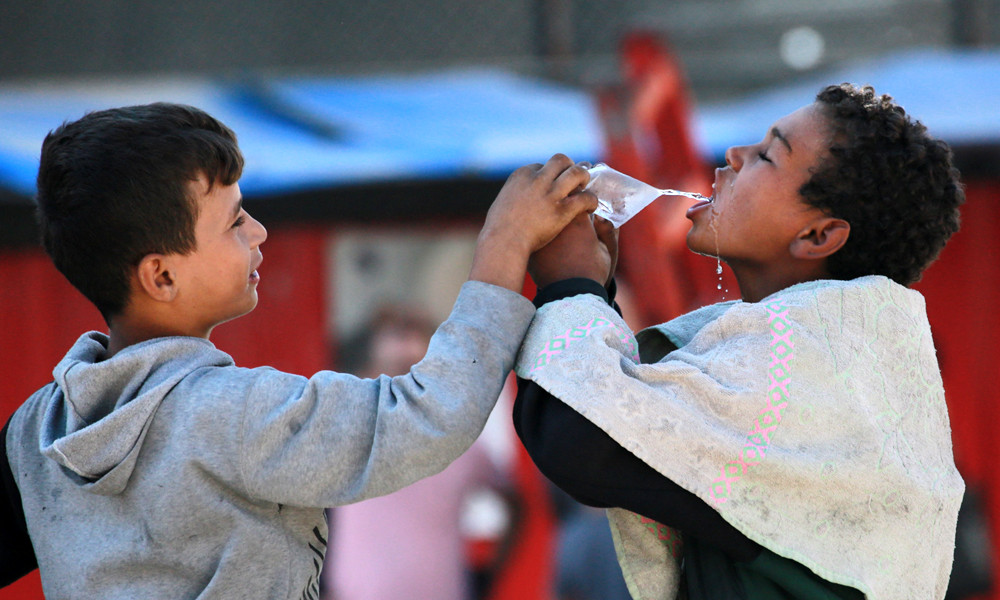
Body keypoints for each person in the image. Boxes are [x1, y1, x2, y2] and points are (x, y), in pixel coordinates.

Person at [0, 102, 597, 598]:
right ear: (160, 277)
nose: (259, 232)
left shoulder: (35, 430)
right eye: (235, 222)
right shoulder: (234, 415)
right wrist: (504, 243)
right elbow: (426, 415)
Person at [513, 84, 966, 599]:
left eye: (768, 156)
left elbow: (584, 443)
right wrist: (589, 290)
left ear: (818, 235)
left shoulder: (803, 363)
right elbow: (623, 431)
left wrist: (569, 286)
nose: (734, 155)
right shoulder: (843, 360)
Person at [321, 304, 519, 600]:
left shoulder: (458, 437)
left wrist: (488, 577)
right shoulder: (343, 425)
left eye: (415, 376)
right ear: (367, 371)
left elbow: (515, 502)